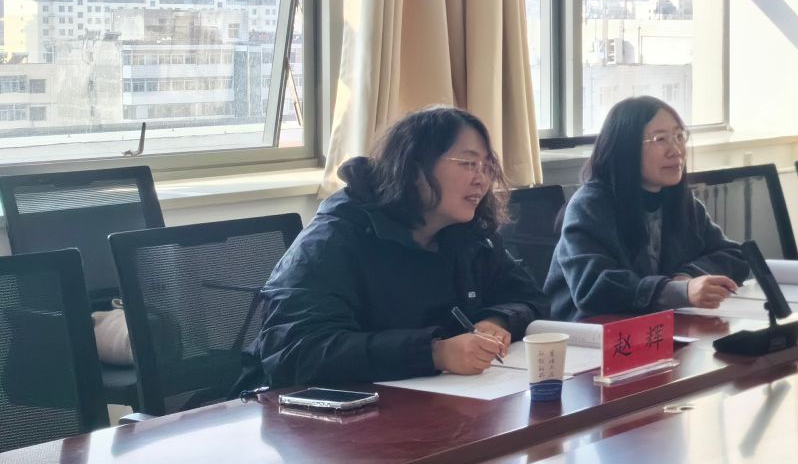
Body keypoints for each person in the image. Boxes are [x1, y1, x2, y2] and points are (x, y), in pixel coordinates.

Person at [240, 106, 544, 389]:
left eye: (486, 167)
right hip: (318, 412)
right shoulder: (333, 240)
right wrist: (434, 353)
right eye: (467, 164)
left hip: (434, 399)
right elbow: (295, 351)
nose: (482, 180)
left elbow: (529, 296)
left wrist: (496, 319)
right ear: (414, 167)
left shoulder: (468, 234)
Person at [544, 96, 748, 321]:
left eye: (679, 136)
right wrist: (674, 291)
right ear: (625, 148)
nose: (676, 150)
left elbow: (734, 255)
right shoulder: (589, 206)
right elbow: (593, 288)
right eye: (660, 139)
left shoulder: (679, 201)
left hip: (656, 326)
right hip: (589, 332)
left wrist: (686, 277)